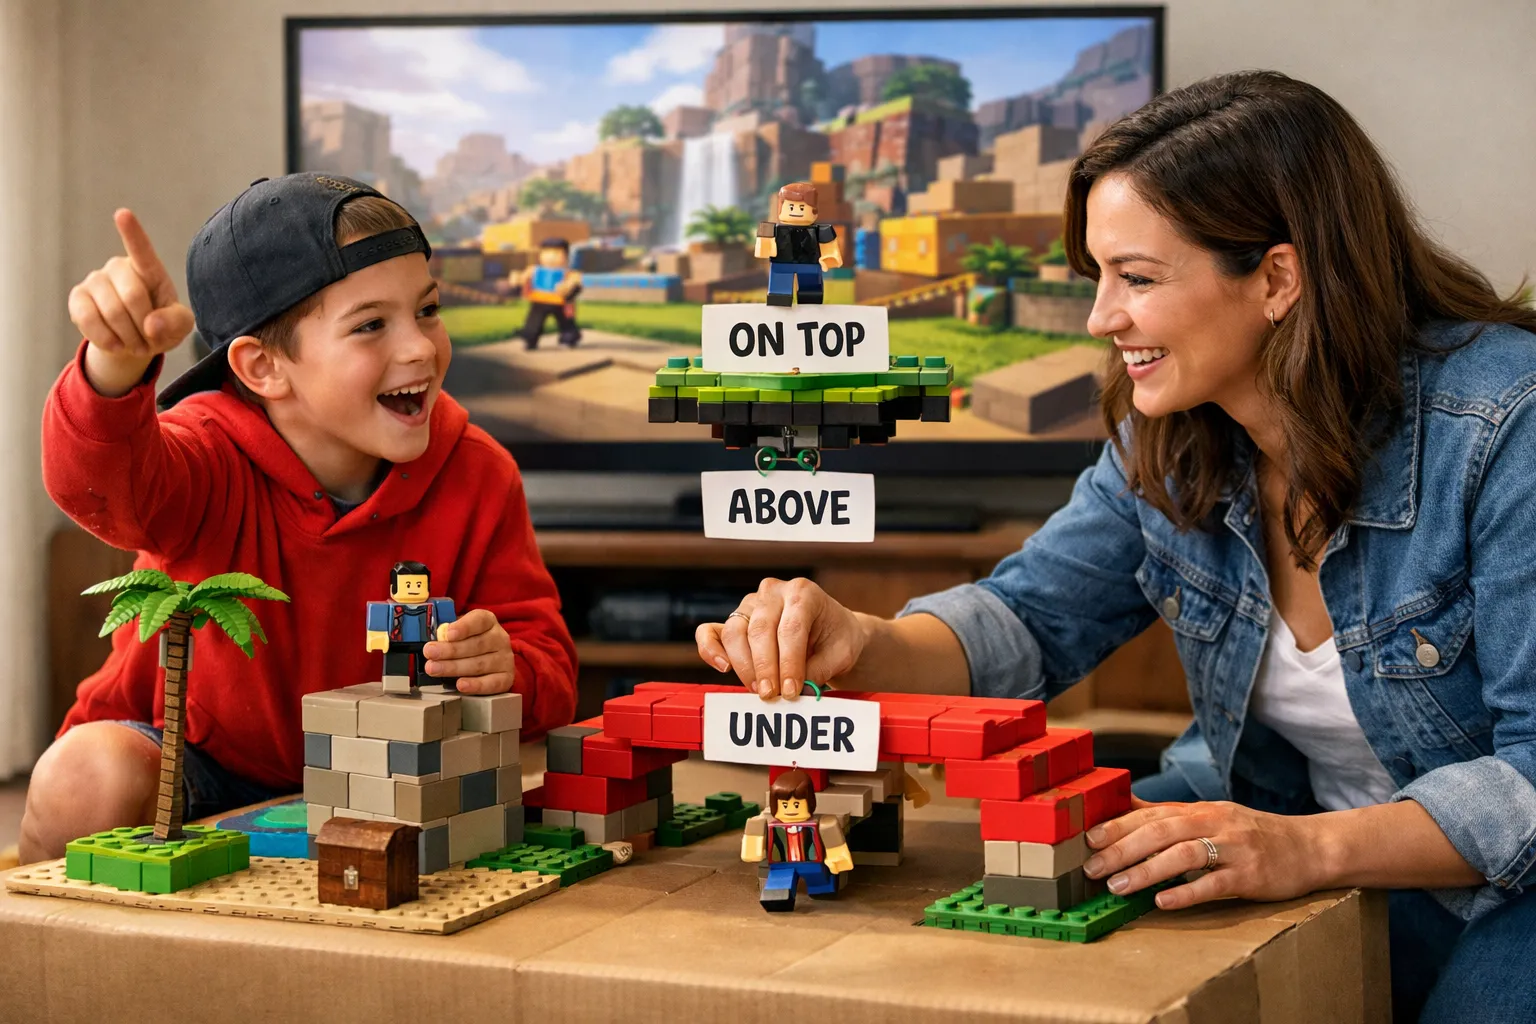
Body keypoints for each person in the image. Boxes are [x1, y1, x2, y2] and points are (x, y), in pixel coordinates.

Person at [697, 72, 1536, 1023]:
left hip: (1504, 882)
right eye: (1099, 277)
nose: (1101, 318)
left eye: (1136, 278)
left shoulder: (1507, 425)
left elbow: (1534, 779)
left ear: (1276, 278)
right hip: (1271, 824)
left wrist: (1303, 850)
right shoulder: (1171, 440)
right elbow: (1027, 619)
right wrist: (861, 638)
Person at [24, 173, 577, 863]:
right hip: (189, 765)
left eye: (427, 310)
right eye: (372, 325)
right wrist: (114, 366)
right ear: (262, 368)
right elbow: (98, 485)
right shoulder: (203, 453)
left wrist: (507, 667)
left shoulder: (480, 473)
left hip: (387, 781)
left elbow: (549, 668)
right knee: (85, 775)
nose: (420, 348)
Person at [755, 181, 841, 306]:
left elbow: (829, 246)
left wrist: (830, 257)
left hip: (809, 264)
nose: (797, 211)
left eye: (802, 208)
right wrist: (766, 247)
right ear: (781, 208)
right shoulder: (772, 229)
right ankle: (779, 300)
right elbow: (763, 244)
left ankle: (809, 304)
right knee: (779, 295)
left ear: (814, 210)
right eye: (791, 207)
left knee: (811, 295)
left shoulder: (820, 230)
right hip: (782, 264)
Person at [516, 237, 582, 347]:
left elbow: (575, 282)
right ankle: (530, 339)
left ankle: (569, 338)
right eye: (546, 253)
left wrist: (567, 286)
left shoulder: (568, 272)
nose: (551, 257)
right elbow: (523, 278)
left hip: (560, 302)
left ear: (566, 256)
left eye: (556, 254)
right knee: (533, 322)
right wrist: (517, 278)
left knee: (566, 322)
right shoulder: (534, 269)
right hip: (539, 300)